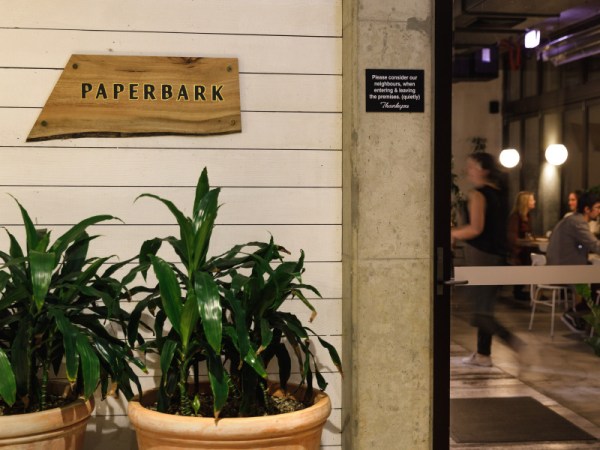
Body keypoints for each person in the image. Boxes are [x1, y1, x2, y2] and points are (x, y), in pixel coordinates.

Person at [451, 152, 521, 367]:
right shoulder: (498, 194)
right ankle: (483, 355)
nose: (468, 171)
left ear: (483, 169)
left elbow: (475, 228)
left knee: (480, 311)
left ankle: (515, 344)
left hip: (483, 257)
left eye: (471, 166)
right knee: (484, 307)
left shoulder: (479, 194)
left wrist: (452, 233)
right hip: (496, 256)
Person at [546, 191, 600, 333]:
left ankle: (579, 316)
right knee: (596, 285)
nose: (599, 211)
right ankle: (574, 314)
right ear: (587, 209)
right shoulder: (578, 223)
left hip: (561, 266)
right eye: (598, 207)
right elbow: (595, 245)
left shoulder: (573, 220)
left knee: (595, 284)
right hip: (564, 269)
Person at [507, 191, 536, 300]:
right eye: (532, 199)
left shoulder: (527, 216)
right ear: (525, 202)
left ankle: (533, 291)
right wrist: (526, 241)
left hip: (526, 250)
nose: (534, 201)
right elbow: (512, 238)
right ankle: (520, 291)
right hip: (518, 252)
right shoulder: (515, 217)